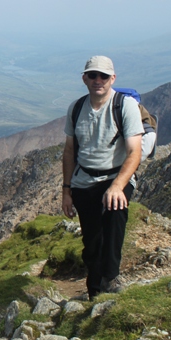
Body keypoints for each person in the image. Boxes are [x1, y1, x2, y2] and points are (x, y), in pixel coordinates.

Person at [61, 55, 144, 300]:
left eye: (104, 76)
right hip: (84, 182)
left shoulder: (124, 106)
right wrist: (66, 191)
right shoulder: (76, 108)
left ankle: (111, 276)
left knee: (115, 216)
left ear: (113, 79)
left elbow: (134, 152)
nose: (98, 80)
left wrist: (118, 186)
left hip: (115, 177)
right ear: (84, 78)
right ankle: (95, 290)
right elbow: (69, 151)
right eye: (93, 75)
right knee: (92, 240)